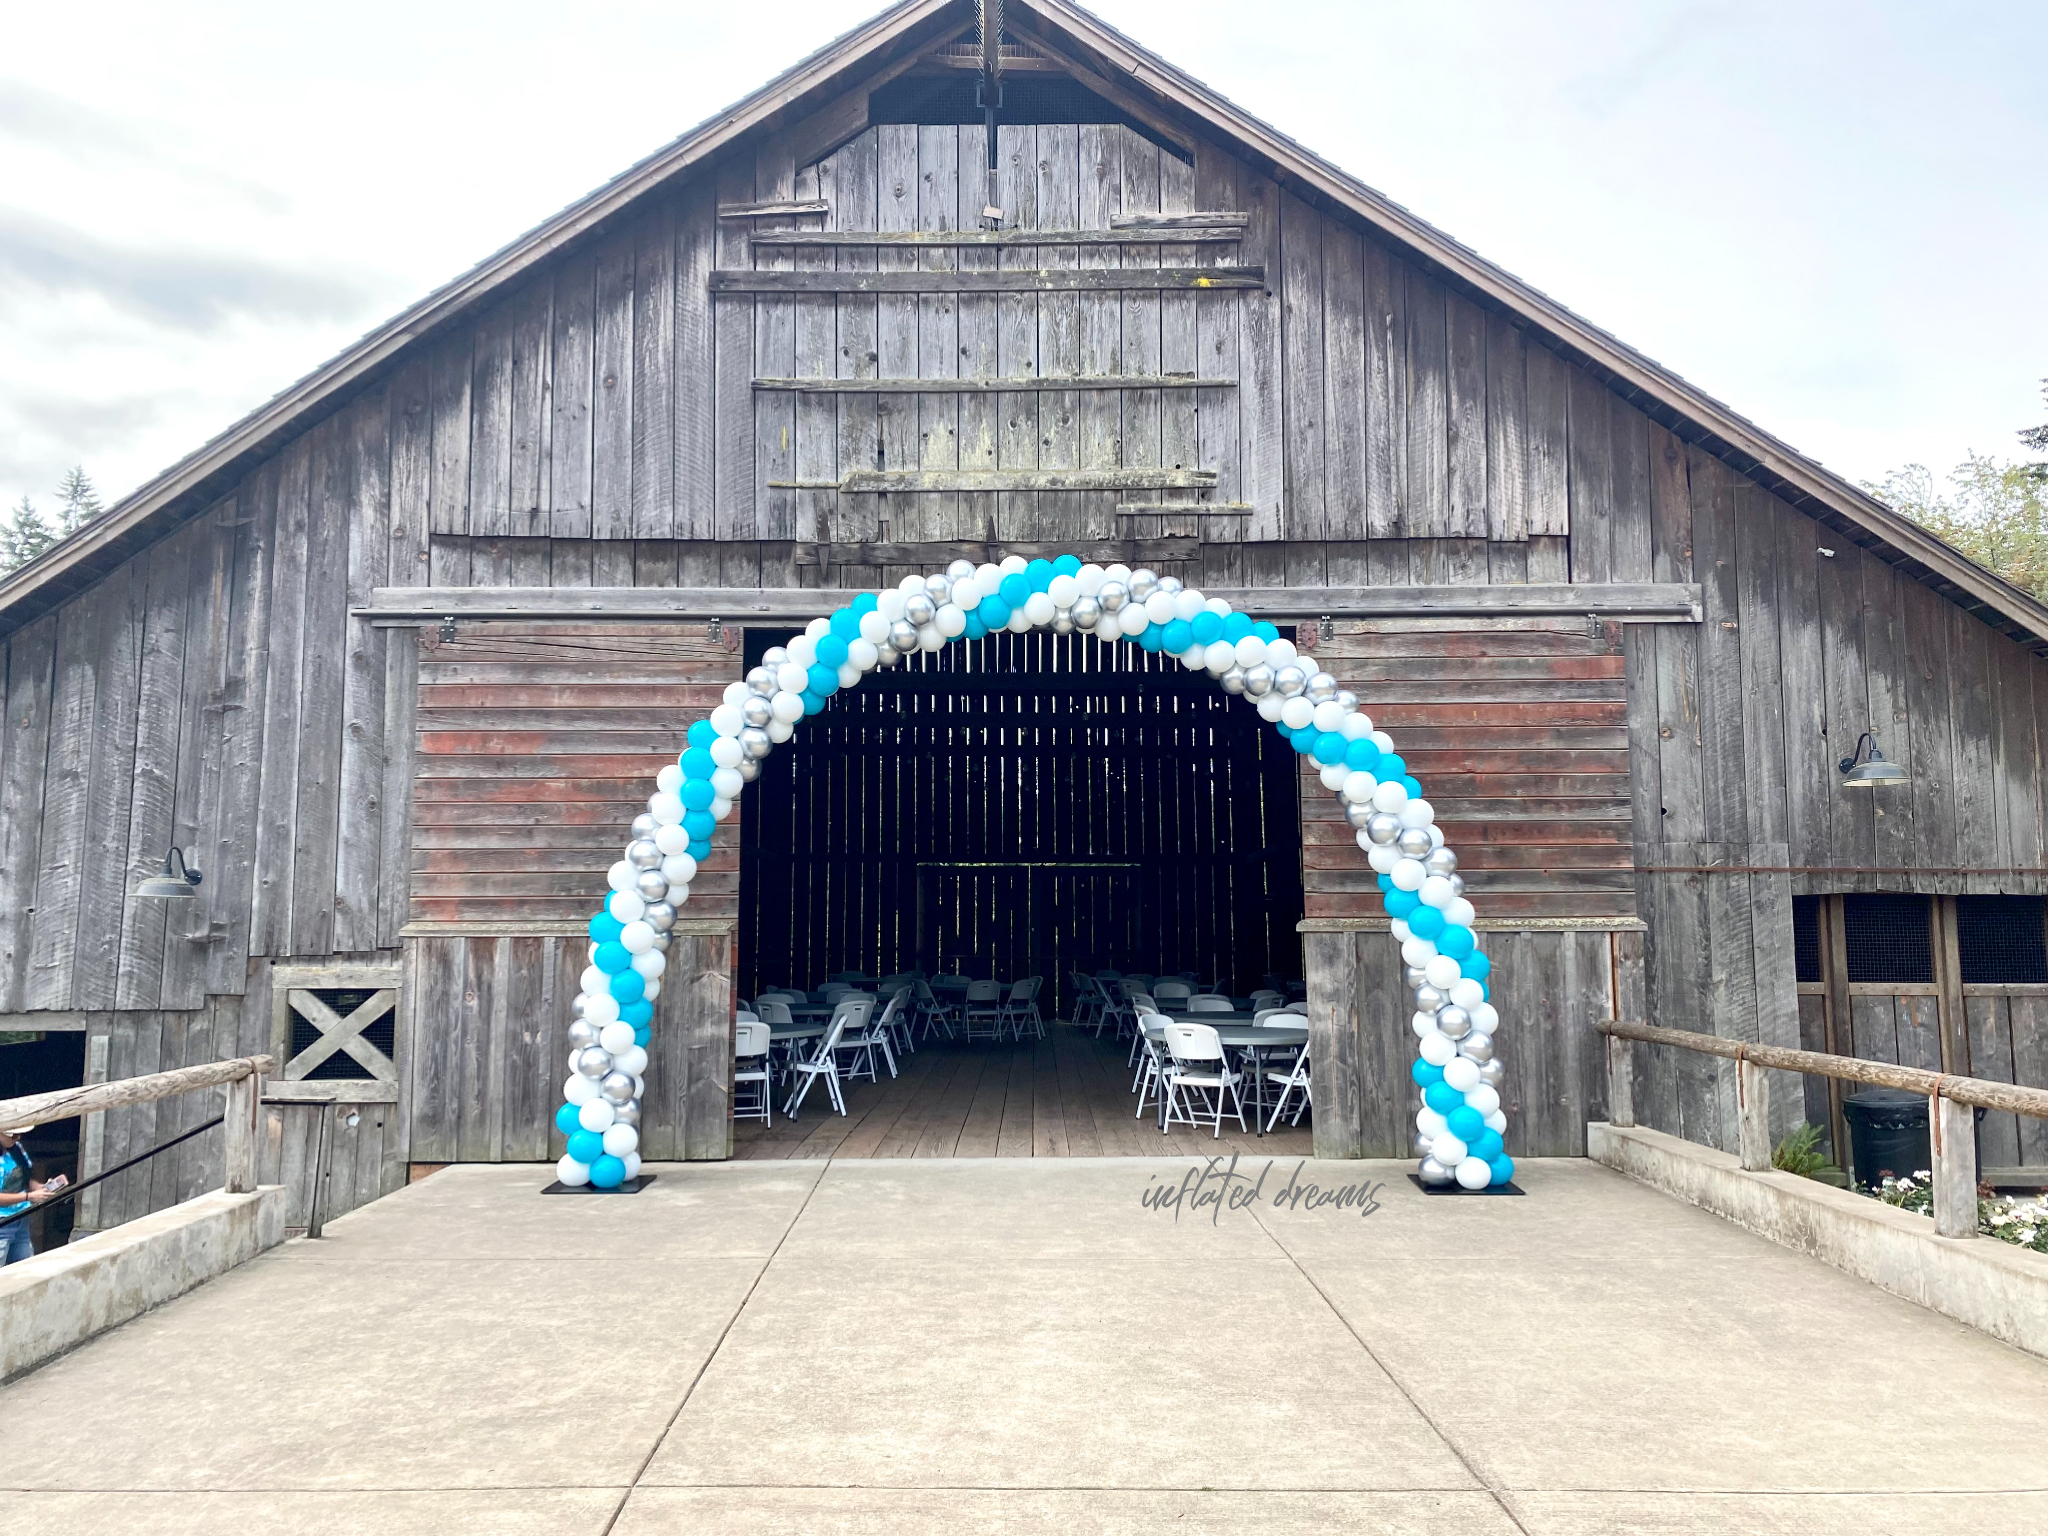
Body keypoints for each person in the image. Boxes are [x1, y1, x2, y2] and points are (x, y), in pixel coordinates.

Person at [0, 1126, 63, 1265]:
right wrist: (28, 1197)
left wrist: (38, 1187)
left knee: (25, 1266)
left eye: (19, 1134)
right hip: (2, 1223)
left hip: (21, 1218)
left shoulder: (17, 1149)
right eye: (13, 1136)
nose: (18, 1138)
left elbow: (25, 1178)